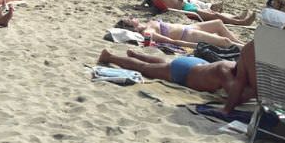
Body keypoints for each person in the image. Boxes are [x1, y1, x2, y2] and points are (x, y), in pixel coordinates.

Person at [97, 49, 237, 94]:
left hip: (196, 64)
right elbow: (234, 95)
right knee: (144, 68)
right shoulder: (226, 72)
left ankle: (137, 55)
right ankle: (109, 56)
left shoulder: (231, 66)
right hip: (184, 72)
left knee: (165, 63)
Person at [115, 17, 244, 48]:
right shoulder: (148, 32)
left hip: (190, 27)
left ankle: (242, 44)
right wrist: (194, 46)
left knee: (218, 23)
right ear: (133, 27)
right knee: (225, 42)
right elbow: (171, 41)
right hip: (188, 35)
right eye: (130, 20)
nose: (132, 18)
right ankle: (245, 49)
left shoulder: (148, 24)